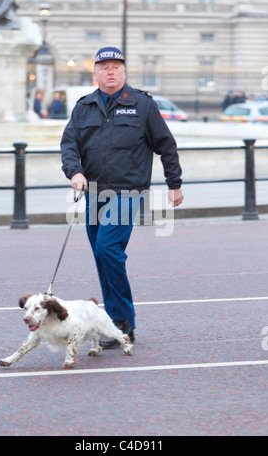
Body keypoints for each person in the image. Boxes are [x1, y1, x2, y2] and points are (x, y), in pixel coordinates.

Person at [60, 46, 183, 348]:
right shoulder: (83, 106)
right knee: (103, 257)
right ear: (96, 73)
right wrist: (74, 172)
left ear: (124, 71)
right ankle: (113, 321)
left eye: (116, 66)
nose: (111, 71)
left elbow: (166, 144)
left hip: (128, 192)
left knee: (108, 249)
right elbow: (69, 143)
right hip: (94, 191)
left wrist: (174, 183)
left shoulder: (142, 104)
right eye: (105, 67)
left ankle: (121, 321)